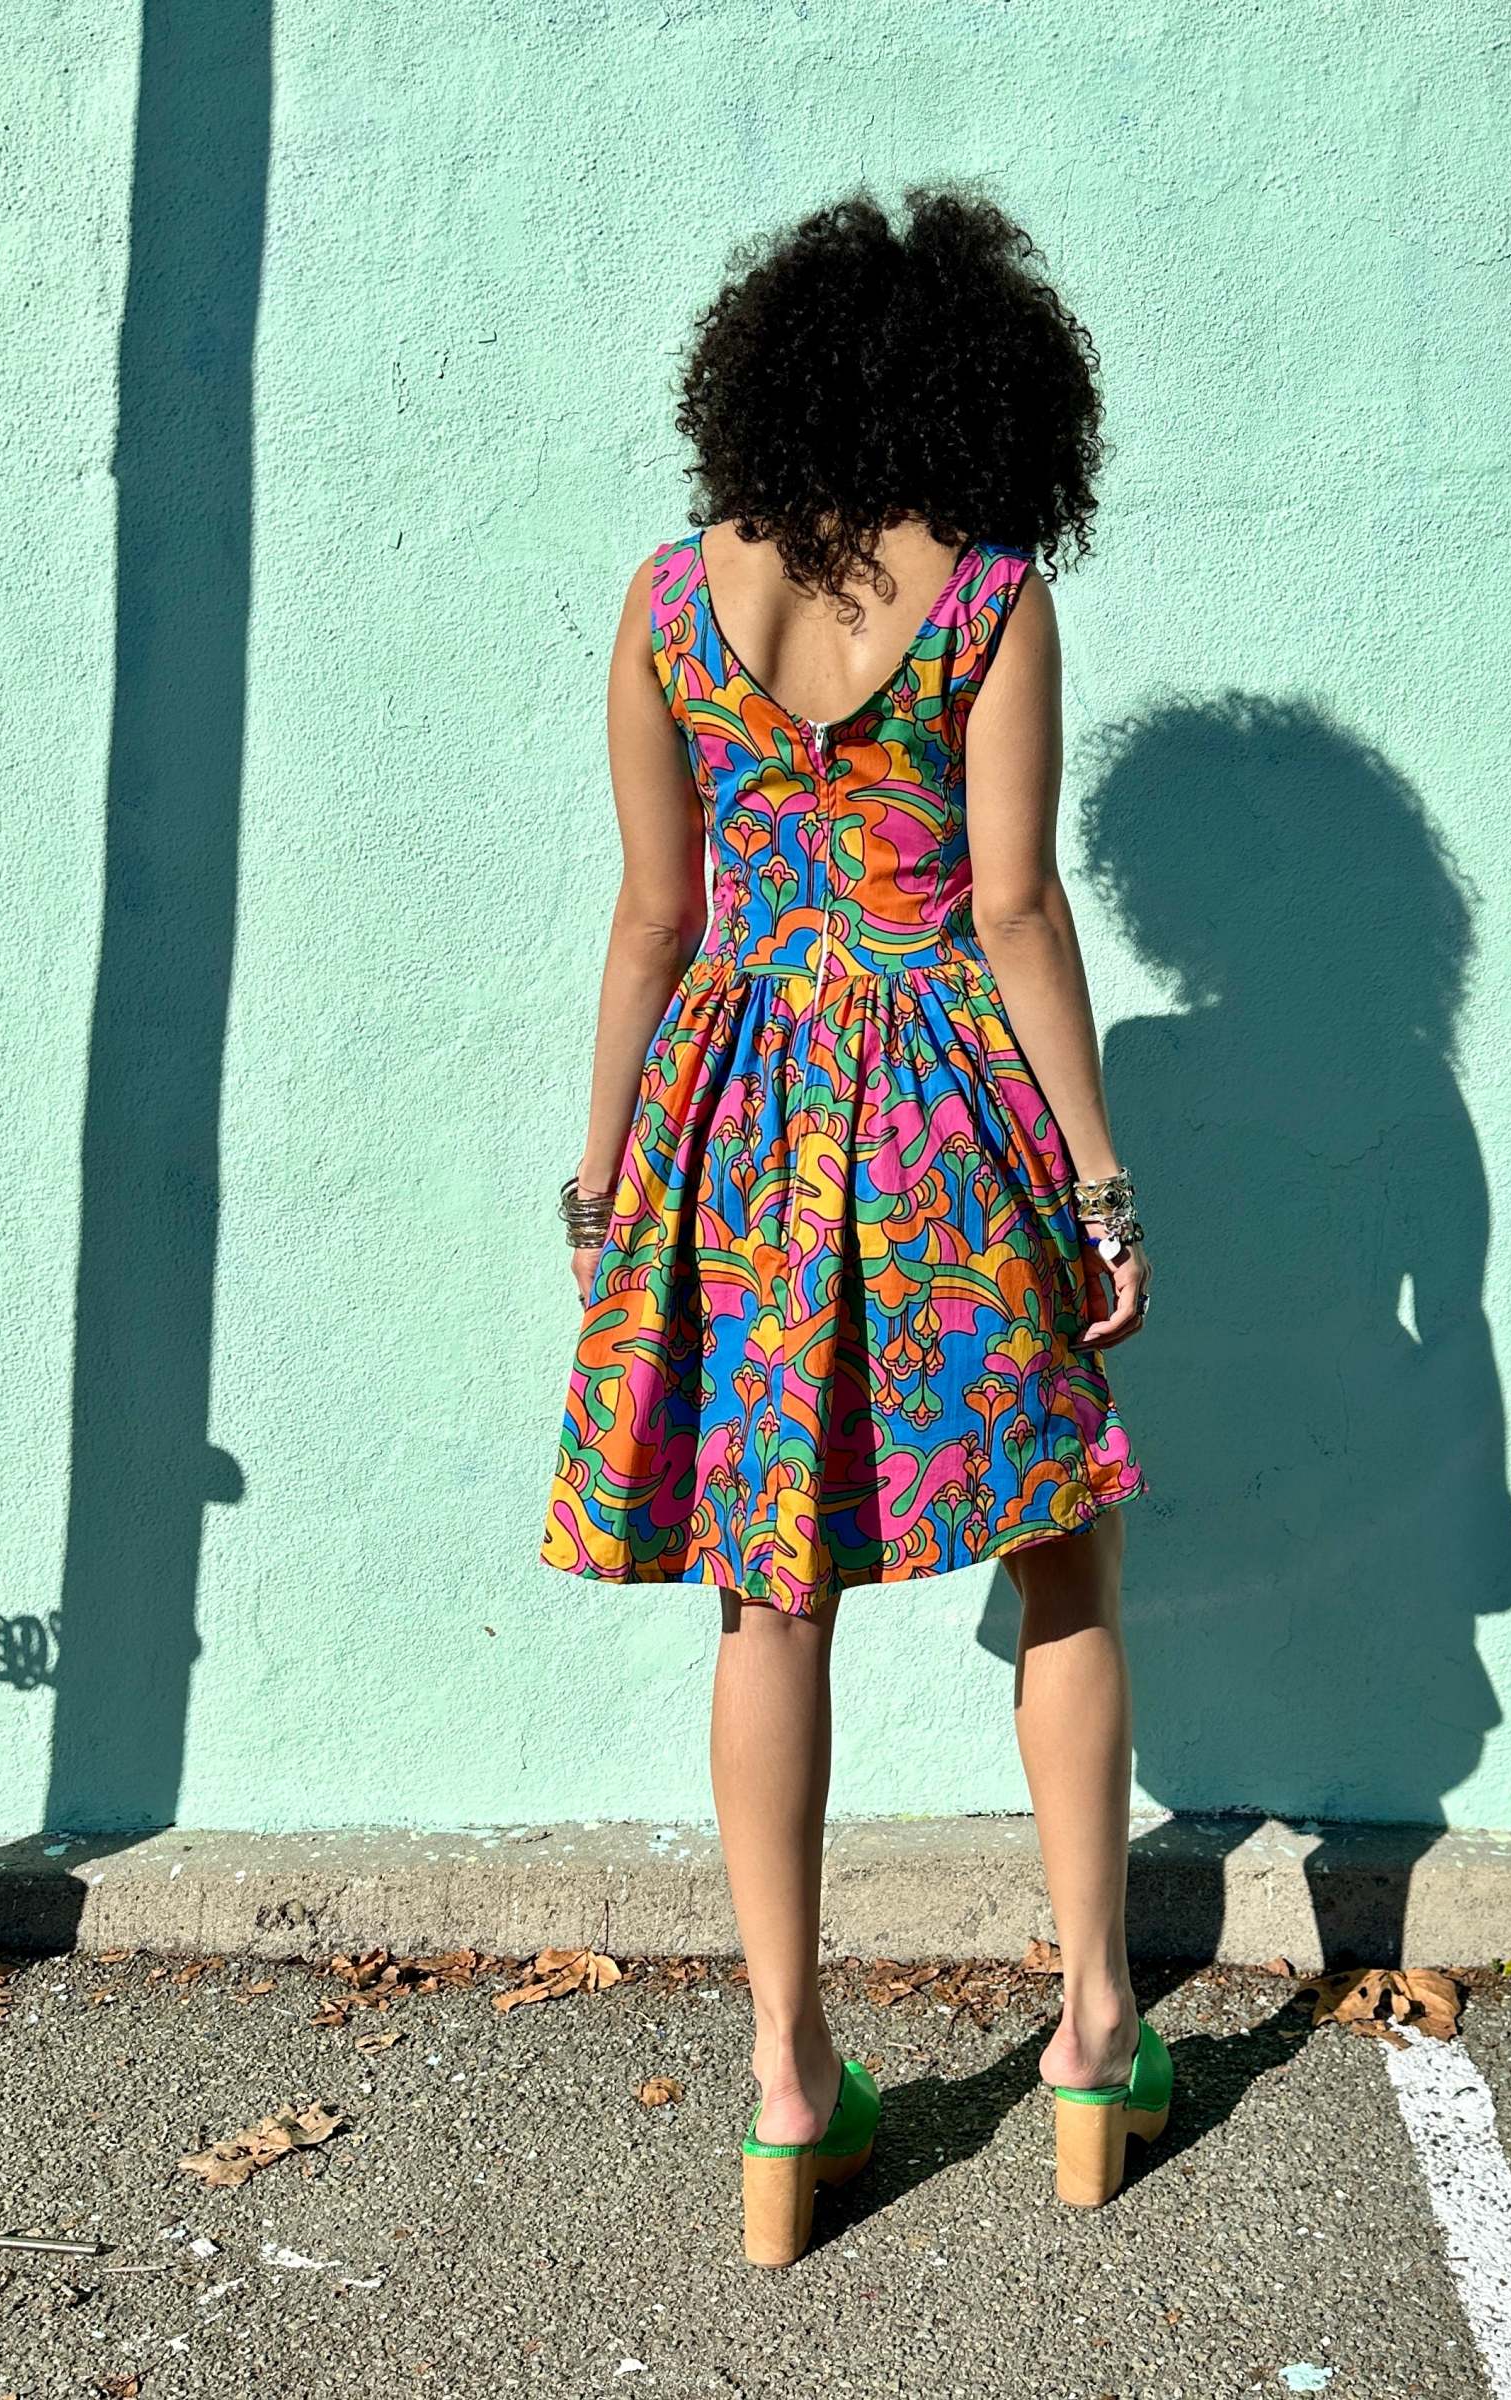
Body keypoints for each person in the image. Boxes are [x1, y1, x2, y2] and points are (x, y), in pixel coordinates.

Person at [538, 184, 1168, 2266]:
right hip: (942, 1117)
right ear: (984, 392)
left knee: (767, 1591)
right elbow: (1013, 908)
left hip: (732, 1120)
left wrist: (606, 1178)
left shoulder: (666, 599)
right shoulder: (986, 598)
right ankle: (1093, 2035)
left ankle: (789, 2081)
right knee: (1059, 1547)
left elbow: (654, 919)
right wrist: (1096, 1180)